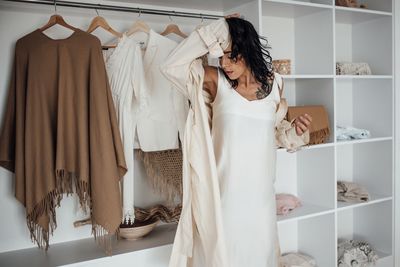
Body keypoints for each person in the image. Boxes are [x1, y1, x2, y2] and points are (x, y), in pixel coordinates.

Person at [162, 15, 311, 267]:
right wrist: (216, 30)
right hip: (224, 196)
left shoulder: (276, 85)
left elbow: (271, 135)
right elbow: (170, 67)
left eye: (231, 55)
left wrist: (295, 131)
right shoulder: (214, 80)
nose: (224, 63)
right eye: (220, 55)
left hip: (261, 197)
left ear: (248, 49)